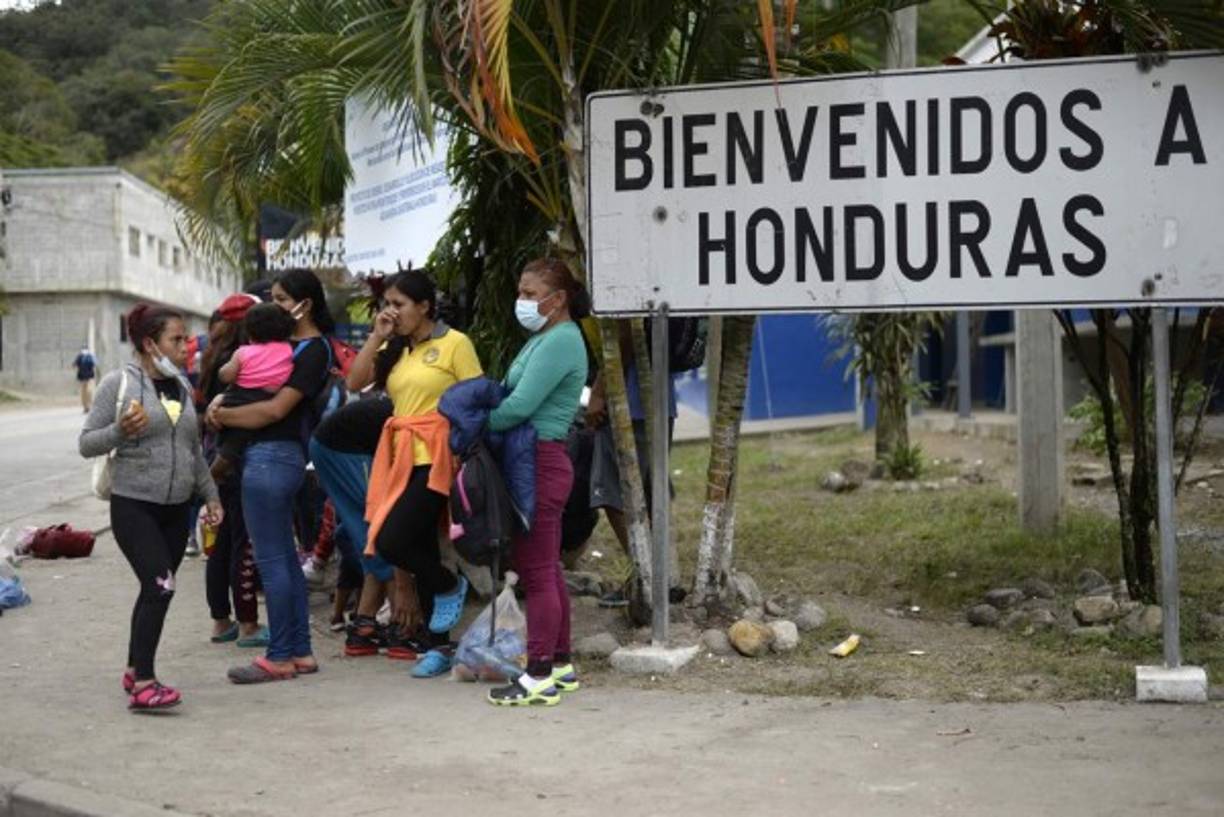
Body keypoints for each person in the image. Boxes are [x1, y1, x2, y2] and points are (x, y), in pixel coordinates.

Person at [79, 304, 222, 711]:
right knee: (162, 584)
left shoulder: (180, 385)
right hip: (134, 506)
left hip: (176, 510)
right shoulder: (117, 383)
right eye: (176, 339)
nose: (186, 347)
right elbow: (87, 442)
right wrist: (120, 431)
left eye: (186, 338)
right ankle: (144, 683)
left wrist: (211, 496)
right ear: (149, 343)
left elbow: (193, 452)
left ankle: (132, 667)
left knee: (155, 588)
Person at [346, 270, 483, 678]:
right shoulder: (396, 349)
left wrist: (463, 449)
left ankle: (447, 585)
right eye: (388, 303)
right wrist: (377, 336)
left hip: (439, 457)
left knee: (393, 540)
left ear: (424, 306)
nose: (392, 311)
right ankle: (437, 644)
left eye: (399, 304)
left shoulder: (454, 343)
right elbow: (355, 381)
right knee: (416, 543)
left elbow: (476, 400)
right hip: (401, 458)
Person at [207, 269, 335, 684]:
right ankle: (299, 651)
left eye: (281, 298)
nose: (274, 305)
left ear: (304, 303)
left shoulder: (313, 350)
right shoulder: (283, 348)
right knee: (284, 558)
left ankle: (279, 654)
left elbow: (274, 411)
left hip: (270, 458)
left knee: (274, 560)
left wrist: (222, 413)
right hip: (275, 460)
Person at [485, 258, 589, 707]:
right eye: (521, 292)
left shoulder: (562, 340)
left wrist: (474, 422)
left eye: (531, 294)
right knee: (546, 565)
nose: (522, 302)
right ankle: (560, 665)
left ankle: (539, 674)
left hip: (540, 461)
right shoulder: (546, 337)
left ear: (558, 299)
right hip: (536, 459)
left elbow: (519, 405)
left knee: (538, 570)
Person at [197, 294, 266, 647]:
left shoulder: (211, 356)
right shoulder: (247, 361)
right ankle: (249, 624)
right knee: (243, 541)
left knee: (219, 541)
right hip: (235, 459)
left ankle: (220, 621)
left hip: (213, 457)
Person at [212, 302, 297, 476]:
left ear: (249, 331)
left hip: (241, 396)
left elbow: (227, 376)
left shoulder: (243, 352)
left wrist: (223, 371)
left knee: (232, 438)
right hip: (268, 397)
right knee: (241, 437)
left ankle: (216, 470)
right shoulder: (289, 350)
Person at [71, 345, 97, 413]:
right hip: (89, 377)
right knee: (89, 391)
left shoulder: (80, 356)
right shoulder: (90, 356)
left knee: (83, 393)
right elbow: (95, 364)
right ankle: (89, 406)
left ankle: (86, 407)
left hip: (82, 377)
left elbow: (74, 365)